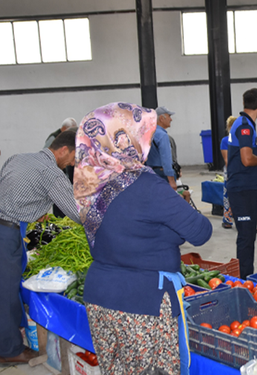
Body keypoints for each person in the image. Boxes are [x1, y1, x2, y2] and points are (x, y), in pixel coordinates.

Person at [74, 102, 212, 375]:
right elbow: (200, 231)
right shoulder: (146, 184)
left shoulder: (88, 181)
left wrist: (160, 228)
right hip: (142, 303)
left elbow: (123, 228)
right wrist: (169, 231)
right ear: (123, 139)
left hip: (99, 297)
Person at [0, 129, 80, 366]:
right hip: (5, 235)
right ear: (63, 149)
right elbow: (76, 213)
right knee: (6, 296)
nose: (73, 163)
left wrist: (33, 210)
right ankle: (10, 350)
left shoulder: (18, 158)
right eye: (74, 157)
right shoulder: (52, 173)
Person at [227, 88, 257, 279]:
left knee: (248, 235)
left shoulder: (241, 123)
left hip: (244, 187)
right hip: (242, 189)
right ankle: (244, 279)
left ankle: (245, 276)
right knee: (246, 237)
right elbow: (246, 159)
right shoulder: (245, 126)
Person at [145, 106, 178, 191]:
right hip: (162, 173)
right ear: (161, 118)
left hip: (150, 172)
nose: (171, 120)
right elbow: (166, 159)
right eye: (169, 117)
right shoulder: (162, 135)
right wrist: (171, 180)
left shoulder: (148, 134)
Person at [220, 116, 236, 229]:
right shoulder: (226, 141)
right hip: (231, 172)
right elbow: (227, 160)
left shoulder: (243, 139)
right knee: (228, 196)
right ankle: (227, 219)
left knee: (228, 196)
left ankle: (228, 220)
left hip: (236, 172)